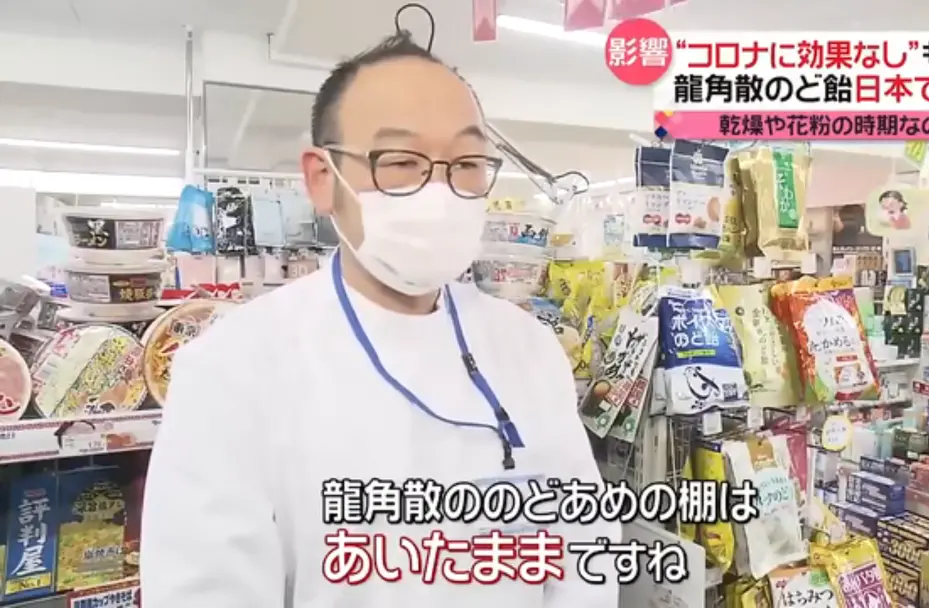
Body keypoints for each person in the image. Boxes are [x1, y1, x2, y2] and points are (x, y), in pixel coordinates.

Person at [141, 32, 620, 607]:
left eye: (467, 163)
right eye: (400, 162)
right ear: (322, 178)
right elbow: (207, 589)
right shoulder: (233, 368)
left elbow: (583, 548)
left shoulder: (529, 348)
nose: (440, 191)